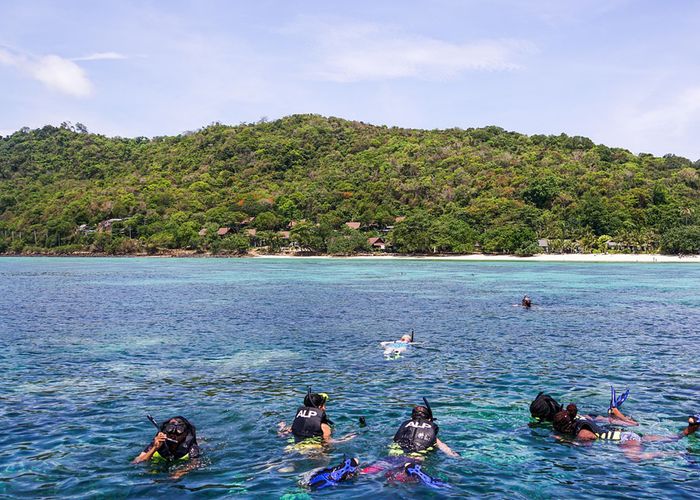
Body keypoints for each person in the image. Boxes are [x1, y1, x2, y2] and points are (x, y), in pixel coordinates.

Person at [552, 404, 699, 461]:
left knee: (636, 458)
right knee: (666, 439)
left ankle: (678, 454)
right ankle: (686, 432)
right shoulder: (580, 418)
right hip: (626, 434)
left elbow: (588, 443)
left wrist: (565, 441)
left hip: (625, 440)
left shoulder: (581, 433)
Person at [278, 390, 355, 446]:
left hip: (293, 446)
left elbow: (283, 433)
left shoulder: (296, 422)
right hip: (314, 451)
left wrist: (281, 427)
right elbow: (328, 442)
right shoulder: (324, 426)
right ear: (319, 407)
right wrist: (346, 439)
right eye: (324, 405)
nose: (325, 408)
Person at [529, 388, 638, 427]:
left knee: (631, 423)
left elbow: (635, 425)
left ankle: (615, 411)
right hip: (592, 418)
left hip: (593, 420)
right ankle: (613, 411)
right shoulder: (563, 416)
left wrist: (624, 419)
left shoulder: (562, 420)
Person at [132, 416, 201, 478]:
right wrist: (155, 448)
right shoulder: (157, 443)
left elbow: (195, 463)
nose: (174, 436)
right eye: (170, 433)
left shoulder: (191, 447)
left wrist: (180, 472)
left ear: (185, 434)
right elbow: (136, 461)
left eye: (178, 434)